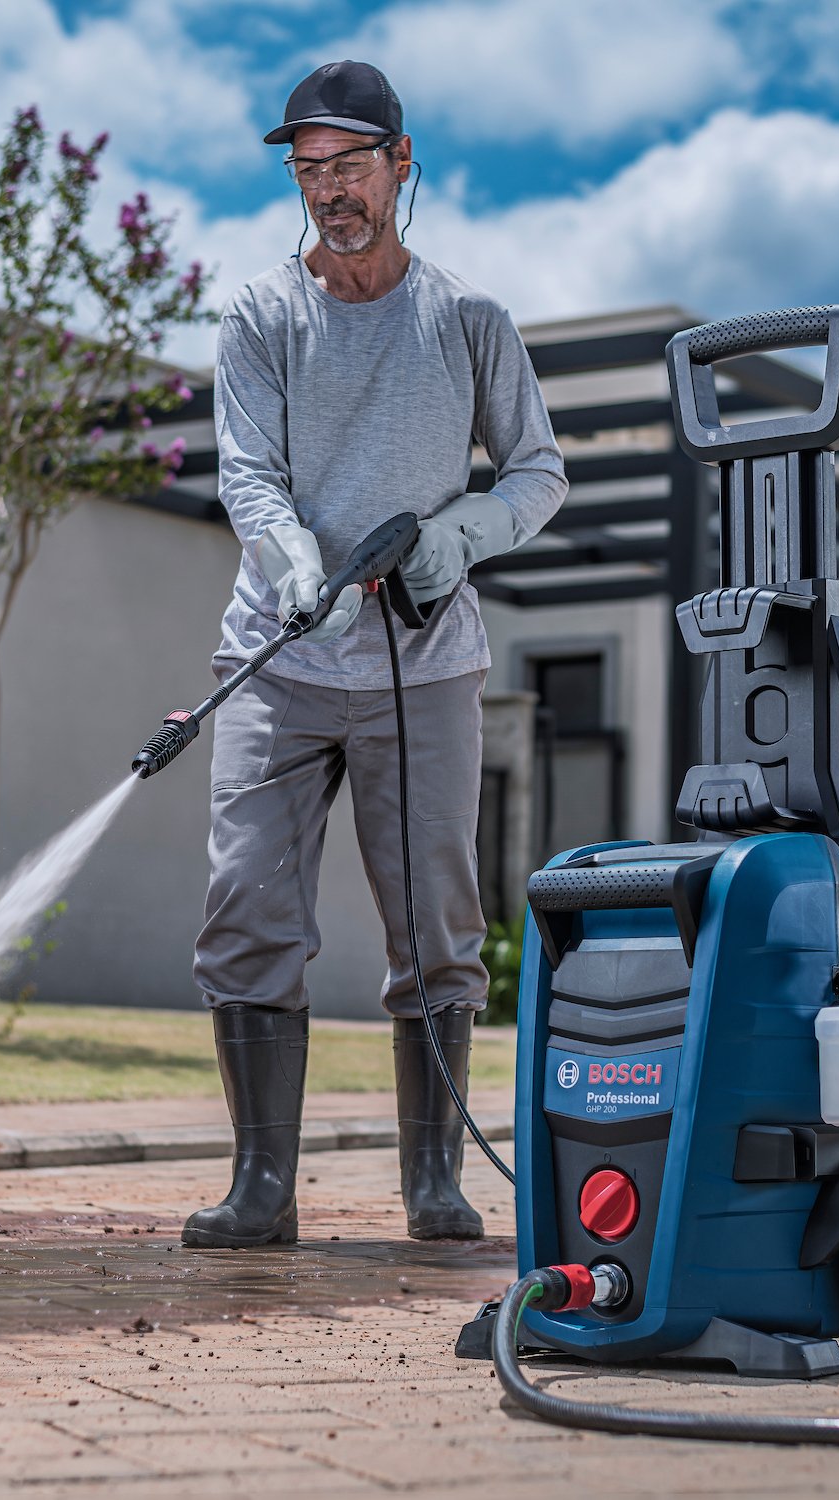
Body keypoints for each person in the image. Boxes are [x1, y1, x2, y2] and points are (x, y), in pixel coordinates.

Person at [184, 60, 567, 1249]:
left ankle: (435, 1184)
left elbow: (538, 471)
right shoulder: (261, 317)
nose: (330, 190)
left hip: (425, 665)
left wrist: (464, 534)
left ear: (402, 166)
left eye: (351, 165)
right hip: (279, 658)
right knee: (246, 907)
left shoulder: (467, 320)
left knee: (436, 924)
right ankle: (262, 1188)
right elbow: (249, 474)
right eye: (309, 170)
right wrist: (297, 566)